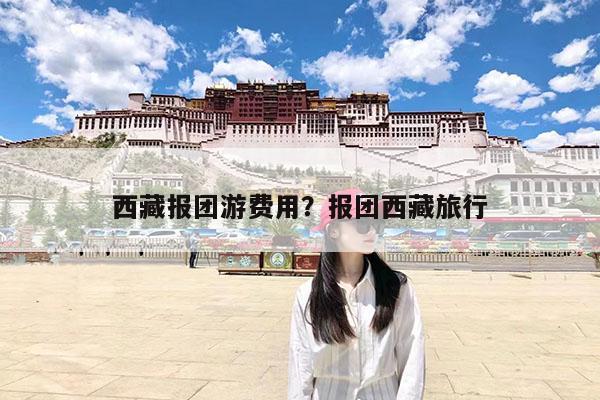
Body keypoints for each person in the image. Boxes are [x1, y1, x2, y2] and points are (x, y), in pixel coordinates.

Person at [288, 187, 425, 400]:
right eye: (362, 223)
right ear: (333, 230)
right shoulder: (308, 295)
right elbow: (300, 367)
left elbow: (412, 359)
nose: (372, 231)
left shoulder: (397, 288)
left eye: (376, 223)